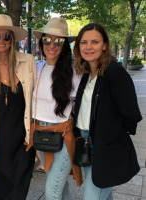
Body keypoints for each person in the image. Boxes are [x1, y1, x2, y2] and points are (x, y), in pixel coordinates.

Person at [73, 23, 142, 199]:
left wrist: (114, 133)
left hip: (105, 145)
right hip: (86, 141)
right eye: (84, 42)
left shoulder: (113, 71)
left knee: (93, 193)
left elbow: (131, 111)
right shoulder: (87, 72)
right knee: (102, 190)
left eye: (94, 42)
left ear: (104, 45)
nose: (88, 47)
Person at [0, 14, 36, 200]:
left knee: (20, 186)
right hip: (0, 139)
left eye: (6, 36)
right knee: (1, 186)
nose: (1, 40)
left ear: (12, 39)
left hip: (24, 136)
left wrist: (34, 130)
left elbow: (35, 99)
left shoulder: (28, 62)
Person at [28, 17, 83, 199]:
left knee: (52, 191)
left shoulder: (75, 72)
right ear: (41, 42)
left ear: (65, 45)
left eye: (58, 41)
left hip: (63, 137)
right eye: (47, 40)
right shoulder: (36, 68)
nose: (52, 45)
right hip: (41, 135)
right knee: (59, 184)